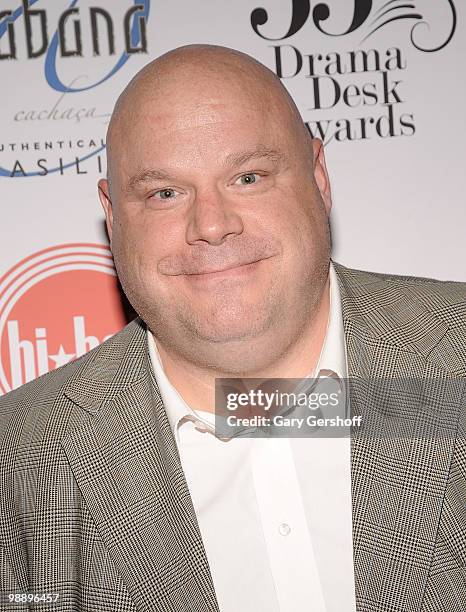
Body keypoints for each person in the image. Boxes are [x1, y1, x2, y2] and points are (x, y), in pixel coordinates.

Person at [0, 44, 464, 612]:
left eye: (248, 177)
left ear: (319, 177)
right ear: (114, 214)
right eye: (164, 193)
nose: (212, 225)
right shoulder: (18, 455)